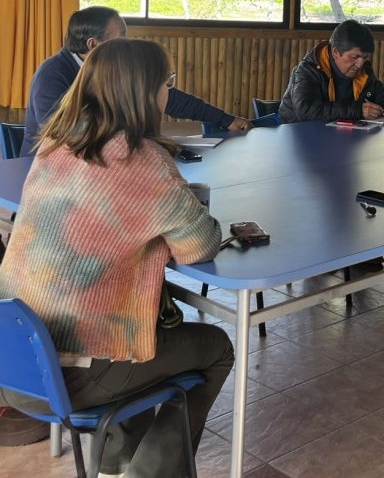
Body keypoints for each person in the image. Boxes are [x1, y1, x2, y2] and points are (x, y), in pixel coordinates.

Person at [0, 39, 234, 478]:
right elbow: (199, 247)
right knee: (216, 348)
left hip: (15, 362)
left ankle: (113, 461)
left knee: (128, 334)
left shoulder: (54, 144)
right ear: (145, 92)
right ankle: (149, 472)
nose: (169, 92)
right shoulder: (145, 161)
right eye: (167, 83)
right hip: (74, 374)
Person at [21, 6, 251, 156]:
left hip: (100, 164)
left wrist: (226, 119)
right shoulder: (51, 74)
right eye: (121, 36)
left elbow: (165, 95)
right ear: (93, 45)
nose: (127, 42)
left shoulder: (113, 68)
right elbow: (62, 133)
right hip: (49, 173)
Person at [279, 19, 384, 123]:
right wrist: (358, 111)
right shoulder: (308, 71)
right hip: (298, 138)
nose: (360, 64)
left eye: (365, 57)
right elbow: (306, 111)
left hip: (338, 139)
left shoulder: (364, 72)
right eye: (354, 57)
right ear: (335, 52)